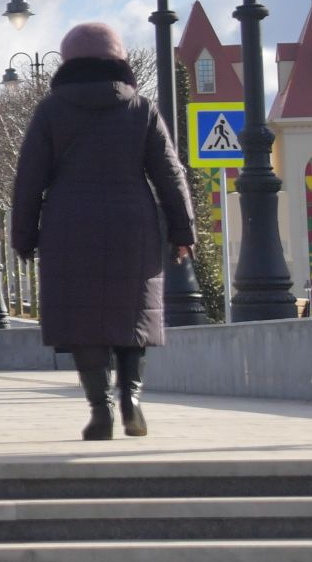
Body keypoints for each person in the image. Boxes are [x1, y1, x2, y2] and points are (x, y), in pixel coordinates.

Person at [11, 23, 195, 441]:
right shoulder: (141, 109)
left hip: (69, 227)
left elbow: (29, 180)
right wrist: (182, 230)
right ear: (119, 61)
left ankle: (100, 409)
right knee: (132, 314)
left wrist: (23, 235)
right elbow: (170, 174)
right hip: (133, 225)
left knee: (83, 320)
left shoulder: (51, 111)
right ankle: (131, 398)